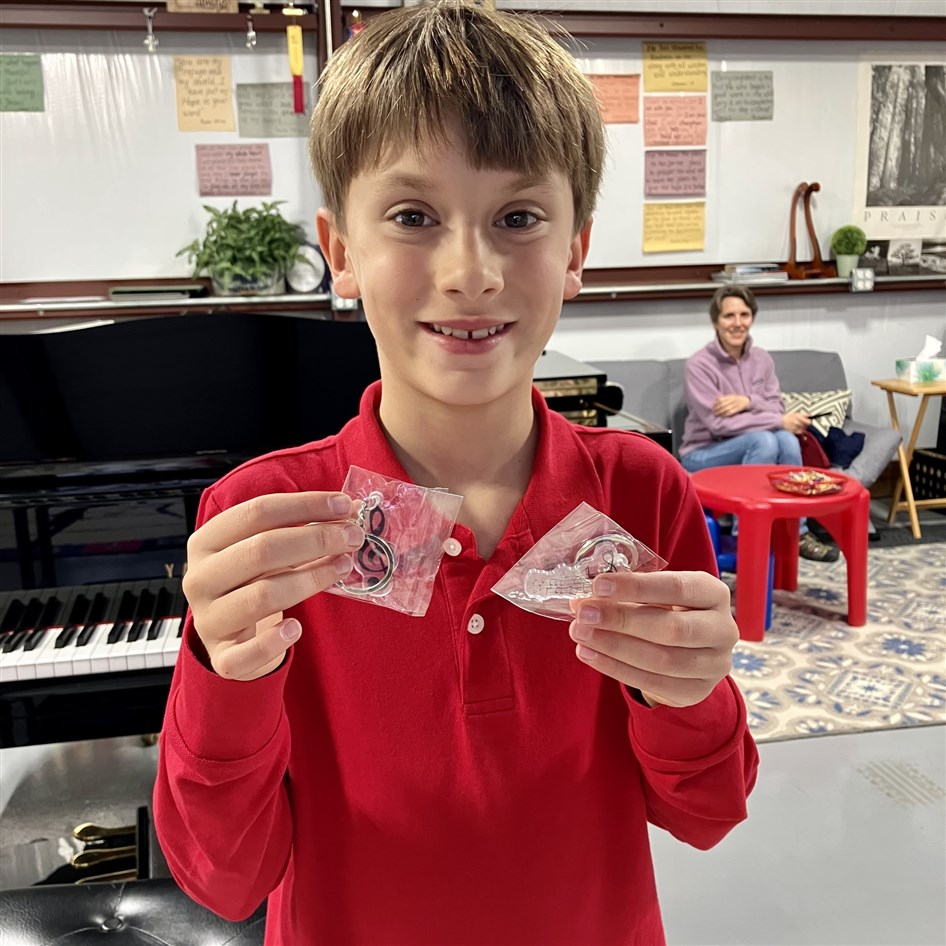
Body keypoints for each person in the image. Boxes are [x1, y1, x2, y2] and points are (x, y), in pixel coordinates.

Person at [154, 4, 759, 944]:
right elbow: (224, 877)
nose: (470, 271)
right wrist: (218, 673)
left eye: (518, 217)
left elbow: (709, 812)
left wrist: (688, 692)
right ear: (343, 251)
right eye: (412, 216)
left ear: (576, 253)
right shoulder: (268, 521)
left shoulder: (640, 491)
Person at [678, 285, 839, 562]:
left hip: (750, 446)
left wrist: (747, 401)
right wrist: (775, 418)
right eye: (729, 316)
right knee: (765, 439)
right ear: (716, 320)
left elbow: (776, 404)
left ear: (752, 317)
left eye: (744, 314)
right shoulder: (699, 365)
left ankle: (797, 532)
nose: (737, 323)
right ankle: (748, 537)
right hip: (703, 453)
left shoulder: (762, 359)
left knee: (786, 440)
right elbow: (718, 424)